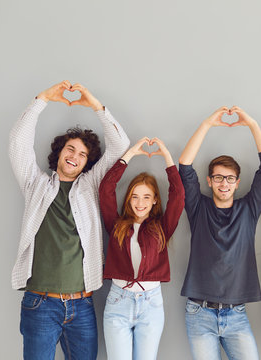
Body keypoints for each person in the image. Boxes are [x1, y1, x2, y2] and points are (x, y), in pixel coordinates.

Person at [9, 80, 130, 360]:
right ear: (60, 152)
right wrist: (43, 99)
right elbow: (18, 142)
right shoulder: (35, 184)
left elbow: (120, 144)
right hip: (40, 304)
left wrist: (93, 103)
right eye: (70, 149)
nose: (75, 156)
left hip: (82, 305)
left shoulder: (90, 185)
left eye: (82, 154)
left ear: (88, 162)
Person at [178, 106, 261, 360]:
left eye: (230, 178)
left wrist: (252, 124)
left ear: (237, 182)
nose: (224, 183)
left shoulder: (249, 209)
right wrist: (208, 123)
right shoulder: (198, 208)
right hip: (199, 313)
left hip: (236, 314)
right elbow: (185, 165)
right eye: (219, 178)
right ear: (209, 181)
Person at [98, 137, 185, 360]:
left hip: (151, 304)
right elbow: (106, 189)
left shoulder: (162, 228)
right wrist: (129, 155)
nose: (140, 203)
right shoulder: (116, 225)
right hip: (118, 302)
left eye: (146, 197)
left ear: (155, 200)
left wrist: (166, 155)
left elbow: (178, 196)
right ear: (128, 199)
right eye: (135, 197)